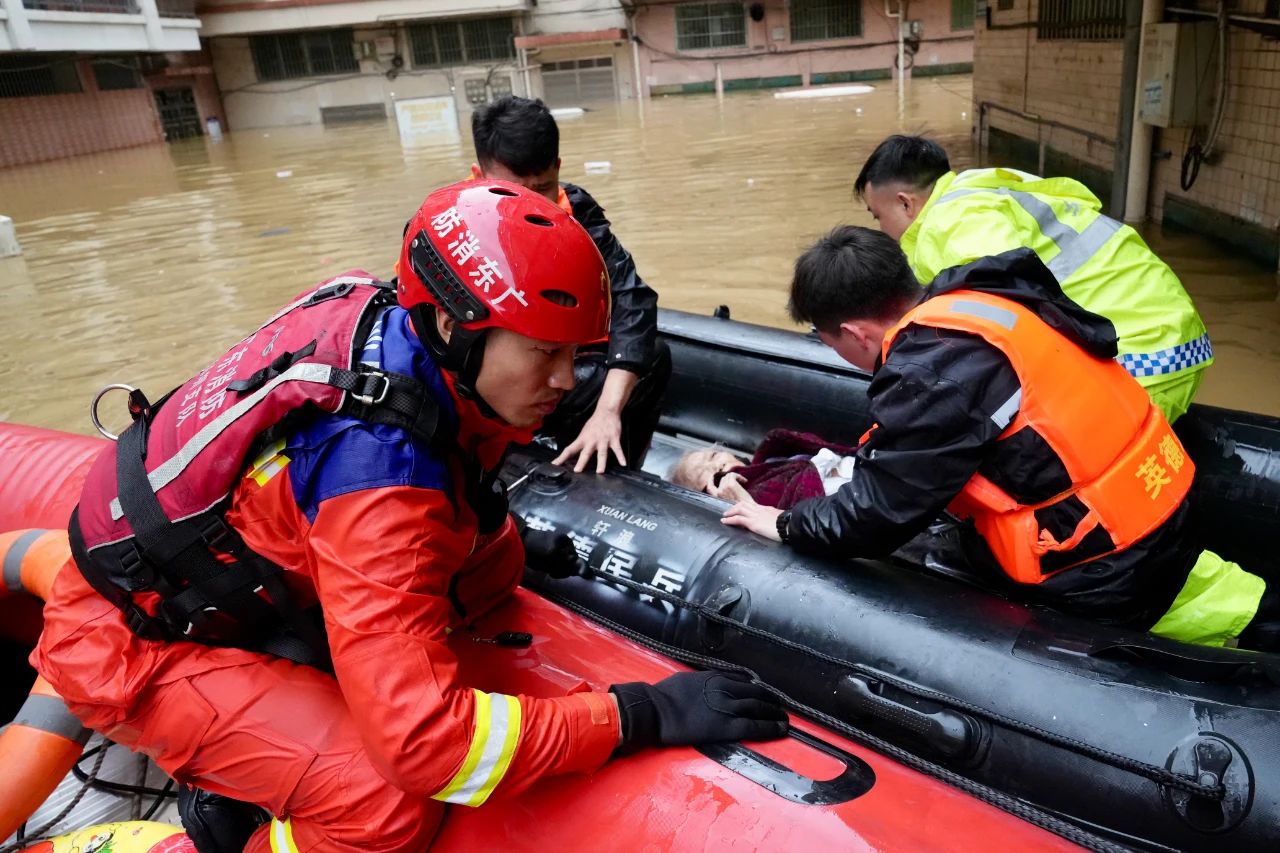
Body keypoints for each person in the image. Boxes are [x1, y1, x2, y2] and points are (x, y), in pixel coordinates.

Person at [34, 181, 787, 853]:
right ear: (457, 327)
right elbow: (427, 748)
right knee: (387, 807)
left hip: (228, 566)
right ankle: (221, 829)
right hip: (137, 647)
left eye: (574, 354)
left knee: (496, 563)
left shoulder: (391, 318)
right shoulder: (378, 484)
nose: (566, 381)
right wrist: (635, 715)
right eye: (542, 353)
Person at [722, 225, 1274, 651]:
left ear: (852, 333)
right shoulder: (989, 298)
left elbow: (874, 518)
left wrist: (785, 522)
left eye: (828, 342)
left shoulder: (931, 371)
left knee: (921, 563)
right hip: (1163, 506)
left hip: (1106, 571)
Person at [855, 135, 1211, 423]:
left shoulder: (953, 224)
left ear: (905, 203)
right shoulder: (982, 191)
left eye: (878, 217)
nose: (883, 231)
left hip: (1140, 356)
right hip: (1171, 337)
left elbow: (1003, 318)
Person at [470, 95, 670, 473]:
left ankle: (609, 471)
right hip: (490, 377)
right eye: (513, 191)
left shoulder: (578, 212)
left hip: (561, 364)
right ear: (481, 178)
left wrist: (608, 411)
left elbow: (632, 297)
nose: (529, 204)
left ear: (558, 169)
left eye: (542, 189)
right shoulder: (451, 224)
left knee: (654, 356)